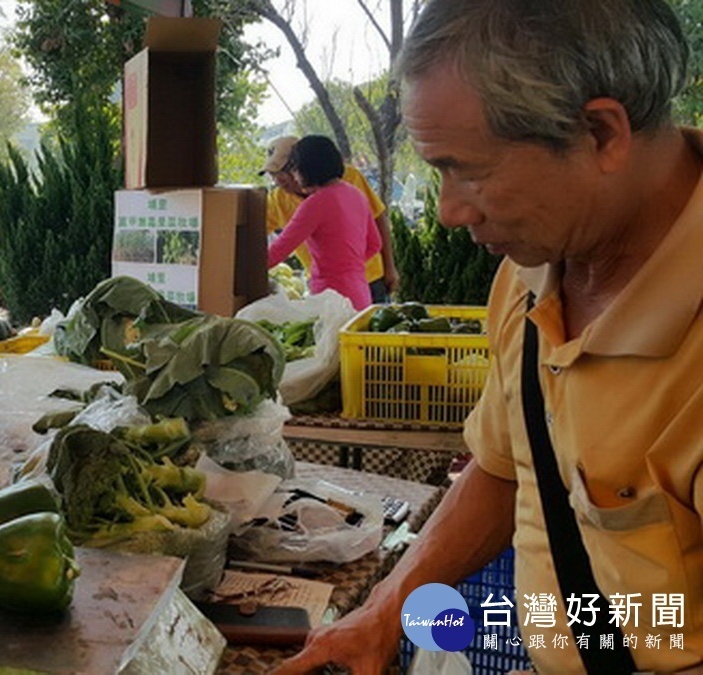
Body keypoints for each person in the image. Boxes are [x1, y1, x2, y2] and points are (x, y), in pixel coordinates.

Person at [274, 1, 703, 673]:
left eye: (467, 169)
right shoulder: (530, 274)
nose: (449, 211)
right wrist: (384, 611)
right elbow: (505, 467)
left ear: (600, 132)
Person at [262, 135, 400, 302]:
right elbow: (374, 243)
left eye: (289, 170)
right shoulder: (354, 194)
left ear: (305, 167)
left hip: (331, 296)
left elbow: (279, 251)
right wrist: (349, 264)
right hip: (359, 289)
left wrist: (238, 274)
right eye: (273, 175)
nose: (279, 180)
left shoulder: (315, 203)